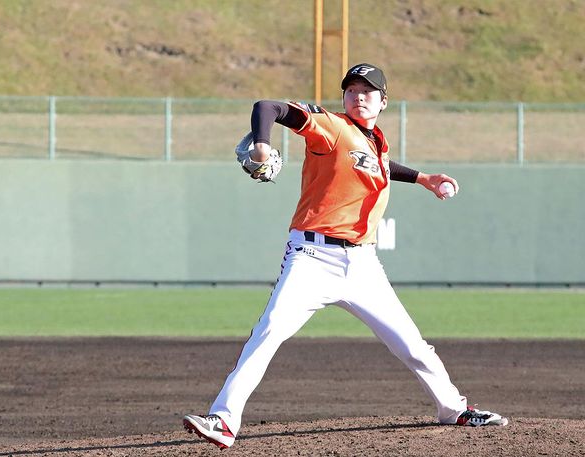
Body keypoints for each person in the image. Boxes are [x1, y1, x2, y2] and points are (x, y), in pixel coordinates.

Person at [183, 63, 507, 449]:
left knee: (411, 344)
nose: (358, 96)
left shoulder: (375, 143)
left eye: (367, 91)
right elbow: (268, 106)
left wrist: (422, 178)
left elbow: (381, 165)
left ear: (383, 101)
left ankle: (453, 409)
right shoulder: (332, 128)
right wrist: (262, 144)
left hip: (363, 266)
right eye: (351, 90)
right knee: (268, 333)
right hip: (311, 258)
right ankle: (223, 419)